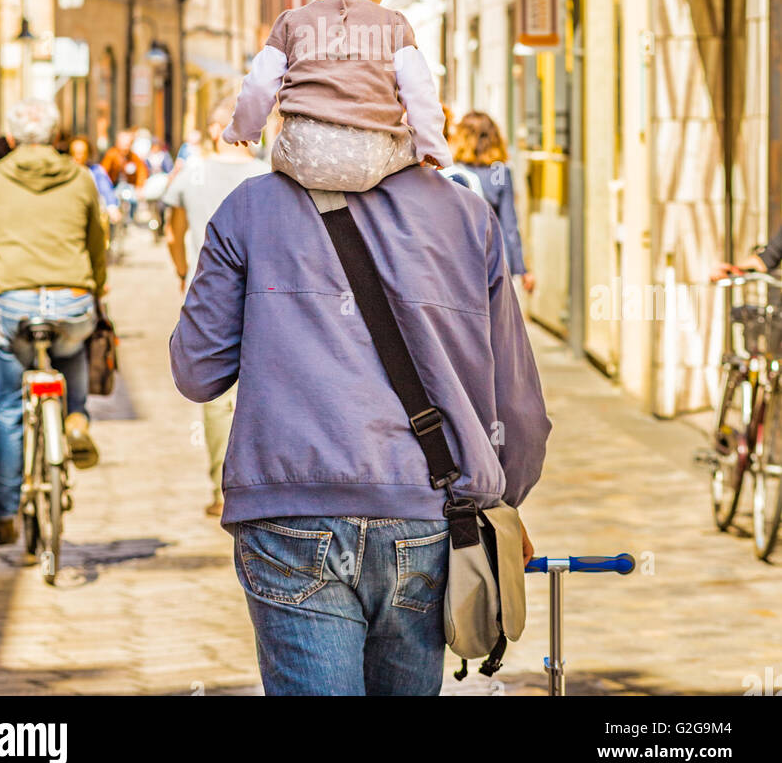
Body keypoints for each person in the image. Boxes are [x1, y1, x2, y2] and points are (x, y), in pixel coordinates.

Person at [170, 161, 550, 696]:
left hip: (292, 514)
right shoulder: (468, 215)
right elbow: (518, 406)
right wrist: (505, 500)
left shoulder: (251, 207)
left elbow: (197, 371)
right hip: (426, 515)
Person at [0, 99, 106, 547]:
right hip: (71, 300)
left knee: (8, 408)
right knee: (73, 343)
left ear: (14, 136)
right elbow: (96, 242)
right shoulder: (79, 177)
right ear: (57, 134)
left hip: (15, 305)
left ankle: (1, 514)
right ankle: (75, 419)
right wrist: (95, 286)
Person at [223, 0, 452, 192]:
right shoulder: (393, 24)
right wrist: (432, 147)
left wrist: (244, 128)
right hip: (372, 157)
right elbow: (420, 94)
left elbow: (258, 85)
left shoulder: (290, 23)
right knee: (406, 146)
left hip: (301, 154)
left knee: (280, 155)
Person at [165, 106, 268, 517]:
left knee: (216, 393)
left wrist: (182, 271)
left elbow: (174, 232)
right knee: (263, 385)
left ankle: (223, 485)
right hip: (263, 294)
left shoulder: (193, 175)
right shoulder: (270, 176)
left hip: (207, 292)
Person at [449, 112, 534, 294]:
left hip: (463, 255)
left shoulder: (454, 171)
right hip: (496, 256)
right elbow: (510, 226)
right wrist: (522, 268)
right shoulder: (500, 172)